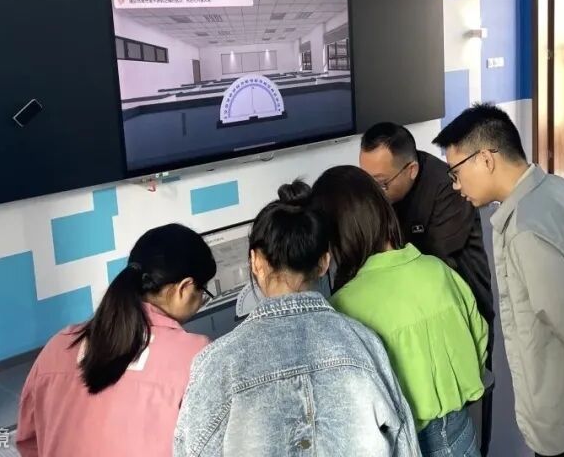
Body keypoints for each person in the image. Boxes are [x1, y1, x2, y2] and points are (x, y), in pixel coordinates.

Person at [432, 103, 564, 457]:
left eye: (456, 172)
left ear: (485, 159)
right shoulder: (563, 190)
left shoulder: (526, 228)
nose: (456, 185)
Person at [174, 182, 420, 457]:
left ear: (256, 261)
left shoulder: (217, 363)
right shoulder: (365, 344)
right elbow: (404, 445)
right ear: (324, 262)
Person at [315, 165, 488, 457]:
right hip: (461, 433)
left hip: (403, 445)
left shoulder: (342, 308)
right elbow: (479, 342)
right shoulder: (438, 270)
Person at [17, 224, 216, 457]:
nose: (201, 301)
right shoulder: (196, 356)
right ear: (185, 288)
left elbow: (28, 441)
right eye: (203, 292)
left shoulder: (60, 344)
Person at [359, 122, 494, 337]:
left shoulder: (449, 188)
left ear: (411, 170)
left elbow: (437, 267)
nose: (372, 193)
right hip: (409, 306)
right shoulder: (377, 192)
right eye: (366, 182)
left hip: (460, 303)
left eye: (381, 184)